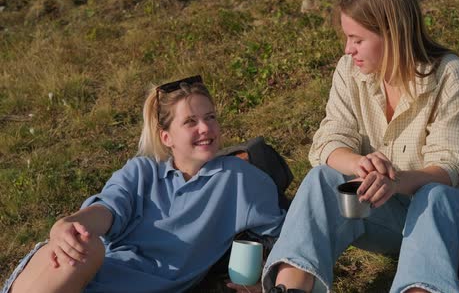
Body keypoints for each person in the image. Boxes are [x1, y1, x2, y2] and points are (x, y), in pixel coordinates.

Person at [262, 0, 459, 293]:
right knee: (322, 178)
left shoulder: (449, 75)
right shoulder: (350, 72)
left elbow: (450, 167)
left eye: (357, 39)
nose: (348, 49)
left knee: (432, 195)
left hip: (457, 215)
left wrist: (395, 180)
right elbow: (331, 139)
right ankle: (291, 288)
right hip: (393, 215)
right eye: (347, 38)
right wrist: (360, 165)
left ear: (392, 34)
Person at [3, 75, 285, 293]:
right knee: (87, 244)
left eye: (210, 117)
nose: (205, 128)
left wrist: (266, 280)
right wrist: (68, 224)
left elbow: (285, 237)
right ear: (166, 138)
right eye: (190, 121)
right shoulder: (143, 171)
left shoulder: (240, 179)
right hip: (69, 273)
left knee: (87, 248)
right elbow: (108, 209)